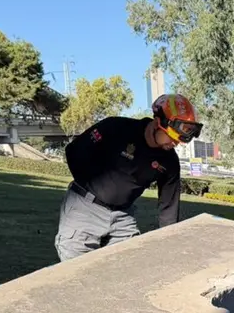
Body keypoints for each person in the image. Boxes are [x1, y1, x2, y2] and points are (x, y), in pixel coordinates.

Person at [54, 93, 203, 262]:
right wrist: (91, 185)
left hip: (122, 215)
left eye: (179, 141)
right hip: (84, 207)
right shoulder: (116, 128)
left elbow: (168, 208)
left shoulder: (169, 162)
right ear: (157, 123)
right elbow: (75, 151)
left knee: (128, 268)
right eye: (171, 137)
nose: (174, 144)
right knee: (75, 271)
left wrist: (169, 243)